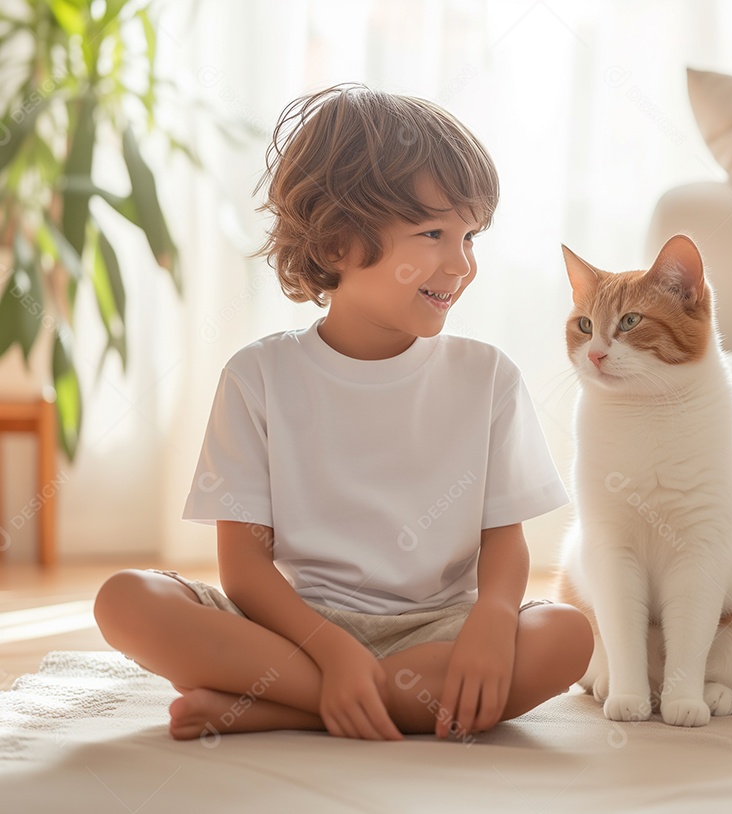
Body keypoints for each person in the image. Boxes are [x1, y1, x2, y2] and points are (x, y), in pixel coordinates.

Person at [94, 84, 593, 743]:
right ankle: (332, 695)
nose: (461, 263)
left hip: (436, 630)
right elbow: (243, 567)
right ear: (336, 243)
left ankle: (281, 709)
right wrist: (332, 651)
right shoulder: (259, 377)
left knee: (565, 636)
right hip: (293, 632)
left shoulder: (488, 376)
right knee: (126, 601)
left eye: (470, 235)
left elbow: (504, 539)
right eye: (434, 233)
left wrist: (495, 620)